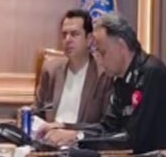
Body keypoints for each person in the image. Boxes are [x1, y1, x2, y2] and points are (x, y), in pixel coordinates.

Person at [60, 12, 166, 154]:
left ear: (121, 46)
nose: (100, 60)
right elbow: (108, 127)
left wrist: (80, 138)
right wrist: (71, 132)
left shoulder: (151, 74)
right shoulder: (120, 79)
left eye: (103, 53)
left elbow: (132, 140)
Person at [34, 9, 112, 137]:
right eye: (64, 34)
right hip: (48, 141)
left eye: (74, 34)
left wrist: (72, 133)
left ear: (89, 39)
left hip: (80, 144)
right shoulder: (51, 70)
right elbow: (37, 112)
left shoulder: (104, 75)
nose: (68, 40)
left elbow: (105, 127)